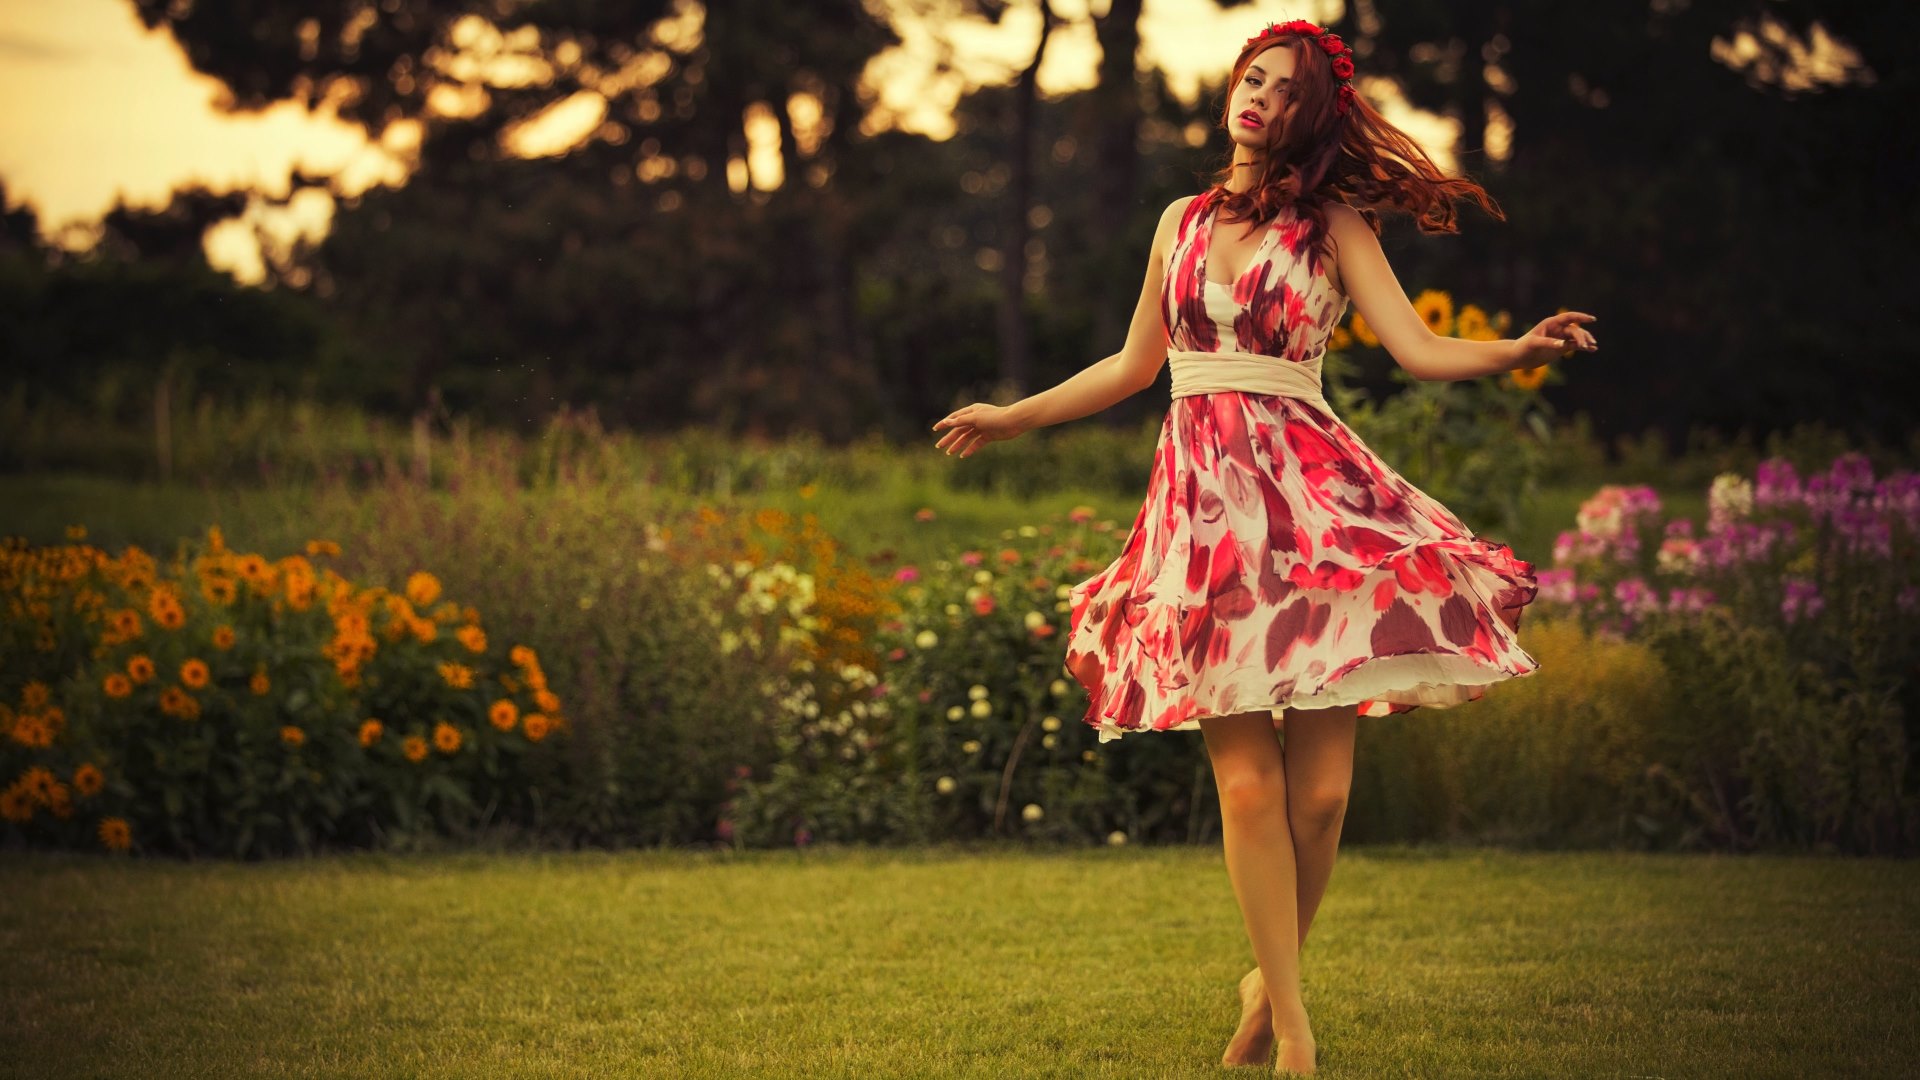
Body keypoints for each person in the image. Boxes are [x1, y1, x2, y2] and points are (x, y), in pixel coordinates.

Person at [932, 17, 1596, 1077]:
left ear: (1309, 118)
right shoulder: (1178, 221)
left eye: (1284, 89)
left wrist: (1518, 348)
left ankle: (1264, 983)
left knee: (1321, 798)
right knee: (1248, 789)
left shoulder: (1333, 223)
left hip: (1318, 512)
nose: (1259, 97)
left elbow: (1417, 348)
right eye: (1252, 78)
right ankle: (1290, 1030)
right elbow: (1129, 366)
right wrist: (1014, 414)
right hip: (1203, 517)